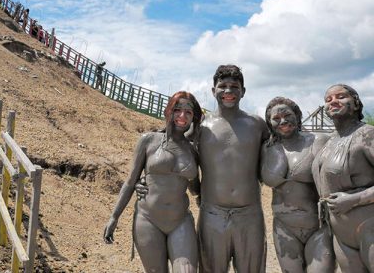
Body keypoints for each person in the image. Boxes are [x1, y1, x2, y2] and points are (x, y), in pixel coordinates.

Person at [137, 64, 269, 272]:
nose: (228, 91)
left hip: (250, 213)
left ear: (243, 91)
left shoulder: (258, 125)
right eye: (222, 86)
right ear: (213, 91)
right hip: (212, 213)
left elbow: (278, 151)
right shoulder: (201, 126)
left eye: (234, 86)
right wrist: (145, 178)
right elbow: (171, 146)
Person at [104, 91, 203, 273]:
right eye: (177, 110)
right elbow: (129, 181)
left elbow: (196, 189)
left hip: (180, 220)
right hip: (148, 220)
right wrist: (114, 217)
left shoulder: (193, 151)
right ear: (169, 111)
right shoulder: (148, 140)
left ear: (193, 117)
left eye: (188, 112)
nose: (182, 116)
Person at [261, 97, 335, 272]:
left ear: (298, 115)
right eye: (276, 118)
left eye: (287, 115)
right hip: (283, 227)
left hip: (318, 226)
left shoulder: (319, 141)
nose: (283, 121)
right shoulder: (267, 148)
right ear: (270, 123)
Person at [312, 84, 374, 272]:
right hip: (341, 235)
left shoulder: (367, 134)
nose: (333, 102)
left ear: (355, 104)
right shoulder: (328, 141)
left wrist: (354, 199)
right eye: (328, 100)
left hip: (369, 228)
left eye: (341, 96)